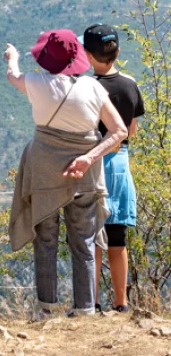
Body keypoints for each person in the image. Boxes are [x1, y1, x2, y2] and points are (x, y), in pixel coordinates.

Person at [6, 29, 127, 316]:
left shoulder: (35, 82)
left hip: (44, 174)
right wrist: (88, 158)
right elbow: (119, 131)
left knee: (45, 241)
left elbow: (12, 76)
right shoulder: (94, 89)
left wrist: (13, 57)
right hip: (83, 176)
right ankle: (85, 309)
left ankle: (46, 309)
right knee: (84, 243)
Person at [83, 23, 145, 313]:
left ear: (86, 55)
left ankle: (91, 302)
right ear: (117, 51)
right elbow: (130, 129)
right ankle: (122, 302)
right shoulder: (130, 84)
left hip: (92, 165)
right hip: (120, 164)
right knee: (117, 237)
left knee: (93, 239)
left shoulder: (86, 87)